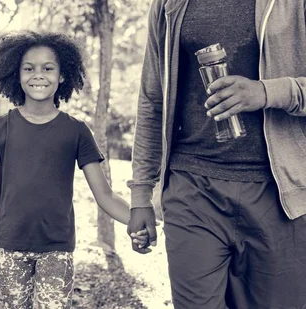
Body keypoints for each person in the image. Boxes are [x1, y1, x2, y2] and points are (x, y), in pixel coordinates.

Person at [127, 0, 306, 308]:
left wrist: (266, 92)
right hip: (192, 188)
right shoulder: (169, 5)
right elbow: (153, 99)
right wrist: (141, 193)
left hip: (280, 195)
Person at [0, 31, 147, 309]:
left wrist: (137, 221)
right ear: (16, 74)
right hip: (9, 248)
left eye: (48, 68)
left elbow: (104, 195)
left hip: (57, 248)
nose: (38, 75)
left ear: (63, 75)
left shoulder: (76, 131)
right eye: (29, 68)